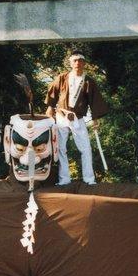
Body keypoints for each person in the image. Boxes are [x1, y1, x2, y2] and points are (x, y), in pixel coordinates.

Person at [44, 50, 108, 186]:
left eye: (80, 60)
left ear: (84, 63)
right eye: (75, 60)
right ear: (70, 63)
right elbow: (53, 94)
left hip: (78, 118)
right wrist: (50, 109)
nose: (77, 63)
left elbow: (94, 100)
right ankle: (64, 179)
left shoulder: (89, 81)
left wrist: (95, 118)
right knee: (61, 148)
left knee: (85, 148)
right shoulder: (62, 78)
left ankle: (89, 179)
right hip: (61, 116)